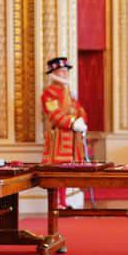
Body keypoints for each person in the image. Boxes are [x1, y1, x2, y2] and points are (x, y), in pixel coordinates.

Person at [41, 57, 88, 208]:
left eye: (65, 71)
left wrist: (82, 120)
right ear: (54, 73)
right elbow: (54, 115)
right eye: (61, 71)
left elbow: (78, 109)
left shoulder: (69, 92)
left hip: (72, 138)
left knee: (67, 171)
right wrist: (72, 122)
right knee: (57, 172)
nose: (64, 74)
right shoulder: (49, 93)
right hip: (59, 139)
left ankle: (63, 201)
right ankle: (56, 203)